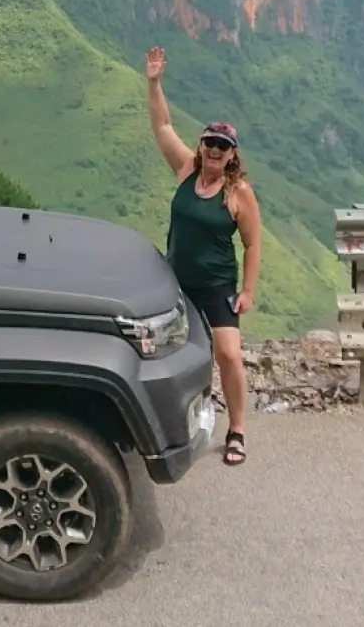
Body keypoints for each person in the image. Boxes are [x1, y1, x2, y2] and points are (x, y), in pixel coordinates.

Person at [144, 45, 263, 466]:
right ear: (202, 145)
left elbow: (252, 243)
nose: (214, 150)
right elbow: (162, 125)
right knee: (174, 354)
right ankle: (177, 423)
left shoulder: (238, 194)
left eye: (223, 146)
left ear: (232, 154)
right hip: (177, 282)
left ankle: (238, 430)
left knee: (228, 353)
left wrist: (246, 291)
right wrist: (155, 82)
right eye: (210, 142)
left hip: (215, 288)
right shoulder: (185, 171)